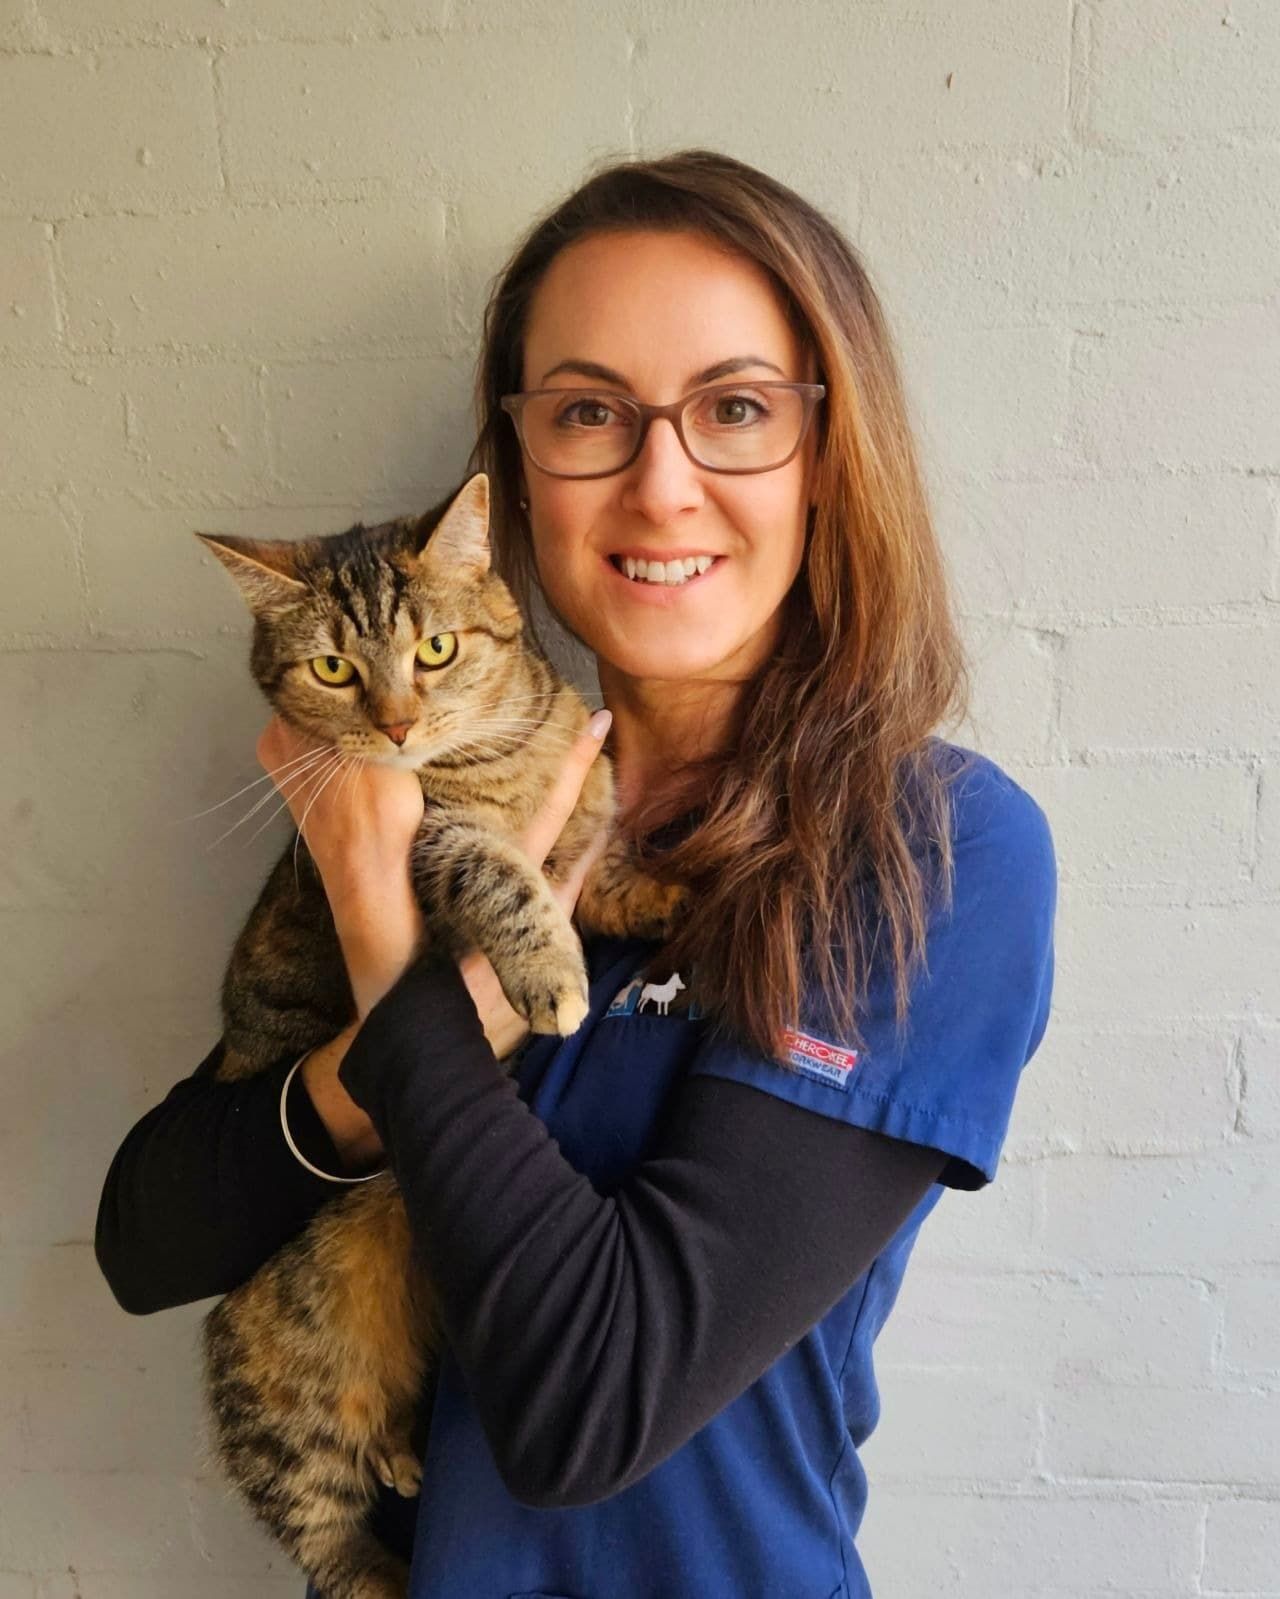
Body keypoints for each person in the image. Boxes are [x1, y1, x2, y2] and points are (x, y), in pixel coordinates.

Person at [96, 149, 1057, 1598]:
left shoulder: (929, 850)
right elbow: (146, 1239)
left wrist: (379, 921)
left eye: (734, 410)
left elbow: (586, 1408)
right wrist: (372, 1057)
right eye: (592, 414)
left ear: (824, 451)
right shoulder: (458, 790)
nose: (661, 486)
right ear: (516, 465)